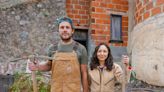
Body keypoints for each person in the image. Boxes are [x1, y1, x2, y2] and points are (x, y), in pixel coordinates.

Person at [29, 17, 89, 92]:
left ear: (72, 30)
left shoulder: (81, 49)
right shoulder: (52, 48)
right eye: (62, 27)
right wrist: (37, 67)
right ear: (58, 30)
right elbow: (48, 66)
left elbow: (84, 73)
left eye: (67, 27)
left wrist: (86, 90)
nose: (64, 30)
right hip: (56, 89)